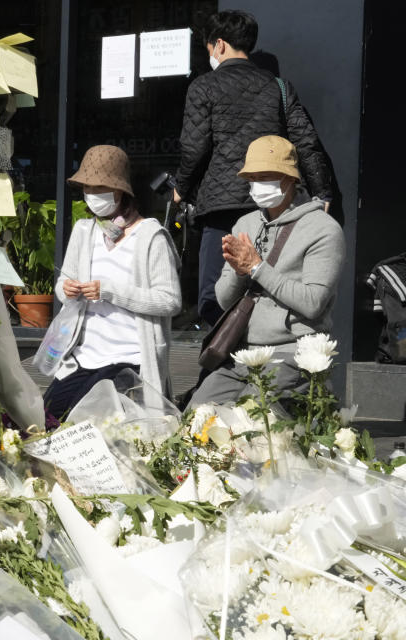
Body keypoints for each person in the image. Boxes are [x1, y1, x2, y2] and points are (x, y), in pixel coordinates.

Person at [172, 10, 334, 328]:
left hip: (221, 208)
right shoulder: (279, 88)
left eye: (208, 49)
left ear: (218, 45)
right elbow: (306, 141)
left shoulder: (203, 87)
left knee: (214, 296)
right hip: (269, 207)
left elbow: (194, 147)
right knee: (264, 287)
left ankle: (227, 362)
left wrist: (181, 186)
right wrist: (322, 191)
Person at [190, 135, 344, 406]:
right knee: (195, 416)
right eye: (253, 177)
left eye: (267, 175)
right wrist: (240, 272)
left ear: (290, 178)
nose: (258, 184)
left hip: (293, 355)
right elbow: (224, 301)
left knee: (249, 422)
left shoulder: (323, 229)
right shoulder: (244, 224)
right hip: (241, 352)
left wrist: (257, 267)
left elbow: (313, 303)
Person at [44, 145, 182, 420]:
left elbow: (170, 301)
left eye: (99, 188)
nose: (92, 196)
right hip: (82, 356)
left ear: (120, 191)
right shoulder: (85, 230)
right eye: (87, 188)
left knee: (88, 423)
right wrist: (67, 289)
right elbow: (63, 283)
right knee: (46, 418)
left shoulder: (150, 236)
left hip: (129, 360)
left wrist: (108, 291)